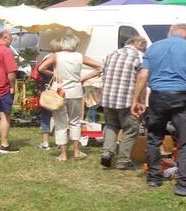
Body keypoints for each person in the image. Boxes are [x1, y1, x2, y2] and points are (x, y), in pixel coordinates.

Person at [131, 24, 186, 195]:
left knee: (154, 138)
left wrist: (136, 99)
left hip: (158, 97)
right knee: (185, 143)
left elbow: (143, 75)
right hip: (182, 96)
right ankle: (182, 185)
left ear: (169, 33)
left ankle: (153, 178)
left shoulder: (154, 47)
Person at [37, 32, 101, 162]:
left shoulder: (57, 56)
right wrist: (83, 78)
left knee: (60, 123)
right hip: (76, 91)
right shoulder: (80, 56)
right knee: (75, 122)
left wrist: (53, 74)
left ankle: (63, 154)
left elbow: (41, 68)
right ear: (75, 44)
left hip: (59, 92)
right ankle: (77, 151)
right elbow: (100, 67)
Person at [90, 36, 147, 169]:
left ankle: (106, 153)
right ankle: (123, 161)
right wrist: (141, 101)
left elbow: (101, 70)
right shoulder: (139, 57)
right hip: (127, 100)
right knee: (131, 129)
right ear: (140, 45)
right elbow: (141, 81)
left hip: (108, 98)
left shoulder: (111, 54)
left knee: (111, 126)